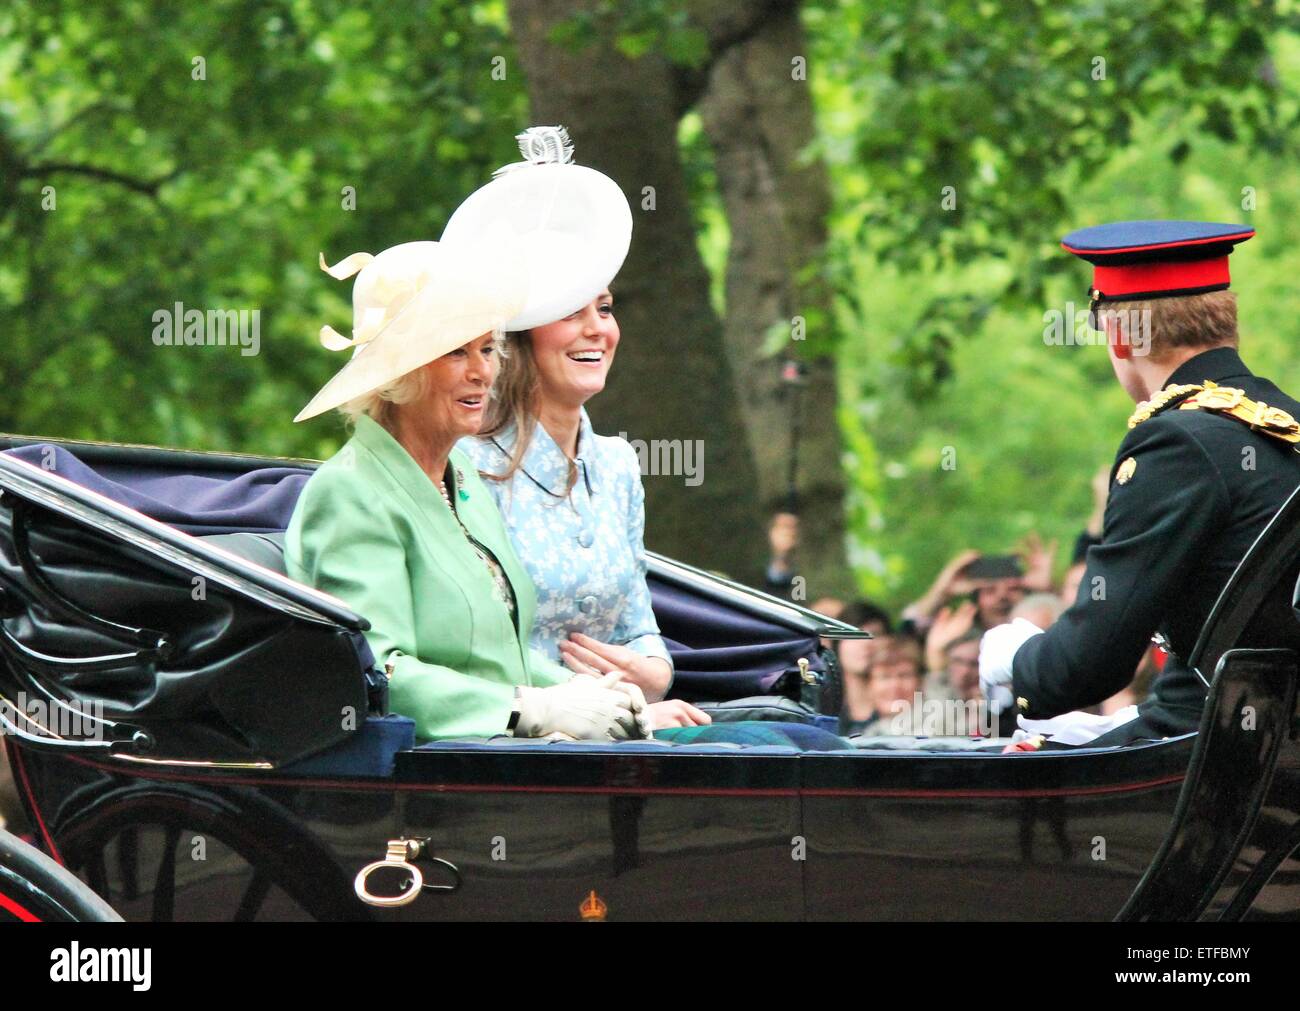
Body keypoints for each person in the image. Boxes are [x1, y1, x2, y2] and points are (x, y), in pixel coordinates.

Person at [285, 239, 648, 743]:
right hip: (424, 775)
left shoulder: (461, 479)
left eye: (486, 349)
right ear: (399, 369)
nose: (482, 370)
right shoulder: (351, 492)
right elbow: (380, 671)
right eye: (455, 351)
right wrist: (533, 709)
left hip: (498, 753)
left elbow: (502, 660)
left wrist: (587, 694)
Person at [981, 220, 1300, 747]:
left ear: (1121, 336)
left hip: (1212, 761)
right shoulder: (1284, 424)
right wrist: (1125, 725)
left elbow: (1087, 668)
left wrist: (1015, 658)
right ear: (1227, 324)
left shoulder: (1177, 442)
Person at [450, 128, 706, 732]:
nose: (598, 330)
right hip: (523, 737)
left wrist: (654, 674)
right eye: (572, 313)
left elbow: (639, 622)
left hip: (629, 725)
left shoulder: (617, 466)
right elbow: (469, 644)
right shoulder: (464, 465)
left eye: (606, 309)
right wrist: (622, 707)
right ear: (522, 337)